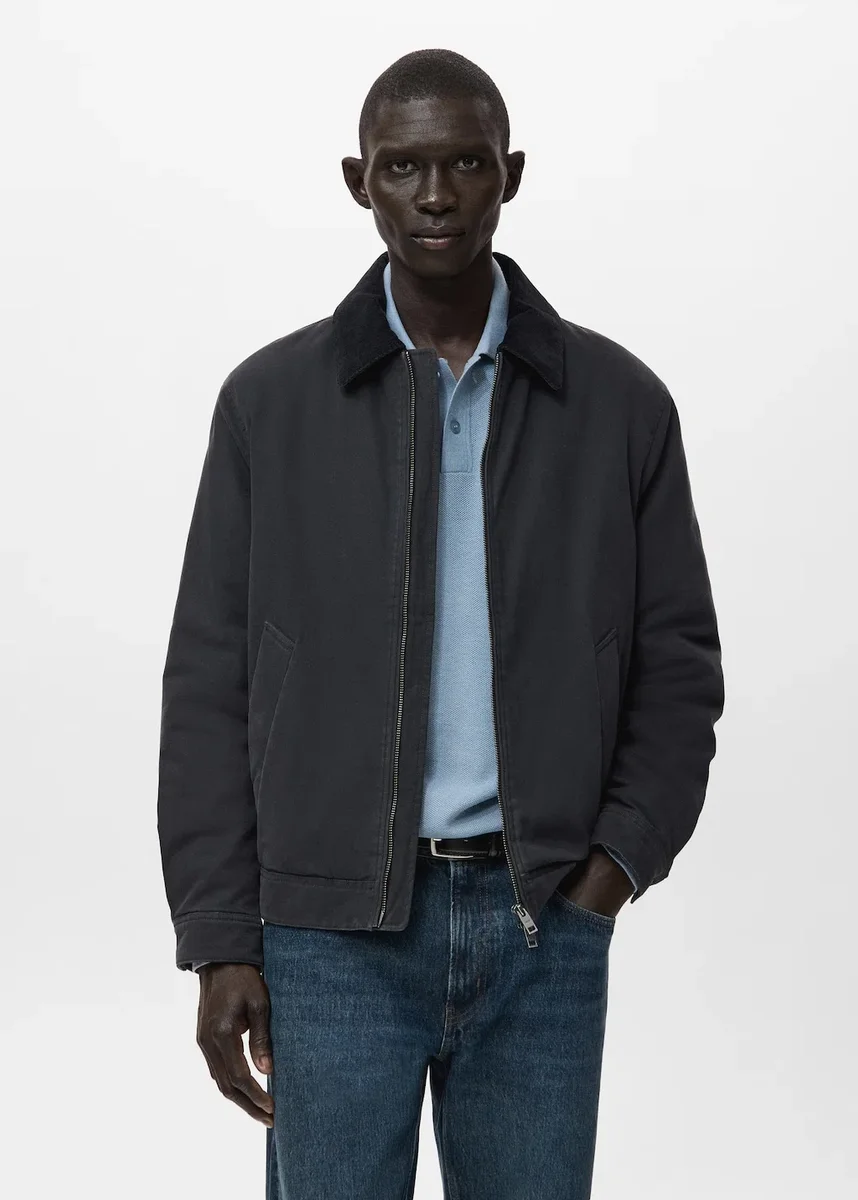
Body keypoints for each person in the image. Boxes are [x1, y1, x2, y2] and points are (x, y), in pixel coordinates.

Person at [157, 47, 724, 1200]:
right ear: (357, 179)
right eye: (404, 166)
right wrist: (220, 938)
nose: (435, 194)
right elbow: (211, 680)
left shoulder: (619, 406)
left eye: (466, 163)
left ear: (510, 174)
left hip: (540, 924)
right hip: (329, 939)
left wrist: (608, 873)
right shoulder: (270, 403)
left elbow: (678, 666)